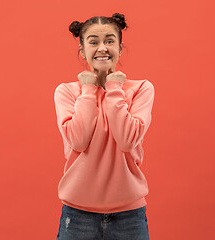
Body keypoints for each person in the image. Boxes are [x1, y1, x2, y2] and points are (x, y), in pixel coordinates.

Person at [54, 13, 154, 240]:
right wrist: (88, 89)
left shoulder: (140, 89)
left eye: (109, 41)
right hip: (78, 214)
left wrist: (114, 87)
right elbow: (78, 140)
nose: (102, 48)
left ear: (120, 47)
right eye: (93, 42)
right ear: (82, 50)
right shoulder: (67, 92)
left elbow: (127, 139)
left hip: (129, 214)